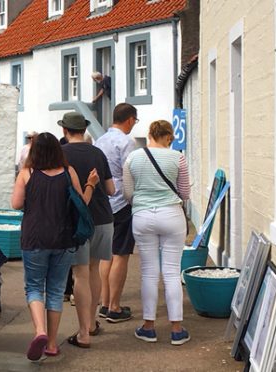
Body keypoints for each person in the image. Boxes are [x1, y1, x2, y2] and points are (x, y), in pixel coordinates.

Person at [11, 132, 99, 360]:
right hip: (63, 239)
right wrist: (91, 184)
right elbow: (82, 203)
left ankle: (39, 331)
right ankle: (51, 343)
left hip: (34, 239)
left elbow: (16, 204)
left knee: (33, 287)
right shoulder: (68, 173)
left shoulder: (26, 174)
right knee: (56, 290)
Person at [124, 120, 192, 345]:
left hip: (143, 216)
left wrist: (144, 202)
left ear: (150, 134)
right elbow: (184, 192)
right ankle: (177, 329)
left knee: (149, 272)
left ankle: (149, 327)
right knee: (172, 272)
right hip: (172, 215)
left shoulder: (133, 157)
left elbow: (128, 193)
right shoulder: (178, 158)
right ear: (168, 136)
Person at [58, 112, 117, 349]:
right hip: (103, 218)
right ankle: (91, 323)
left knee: (79, 274)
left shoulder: (60, 155)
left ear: (64, 131)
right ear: (84, 130)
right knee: (94, 271)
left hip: (76, 222)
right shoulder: (98, 153)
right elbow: (112, 189)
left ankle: (84, 331)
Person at [94, 103, 139, 324]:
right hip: (122, 201)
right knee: (121, 254)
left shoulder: (100, 140)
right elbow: (131, 173)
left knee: (106, 254)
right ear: (130, 120)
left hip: (103, 202)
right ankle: (114, 306)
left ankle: (104, 303)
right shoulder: (126, 142)